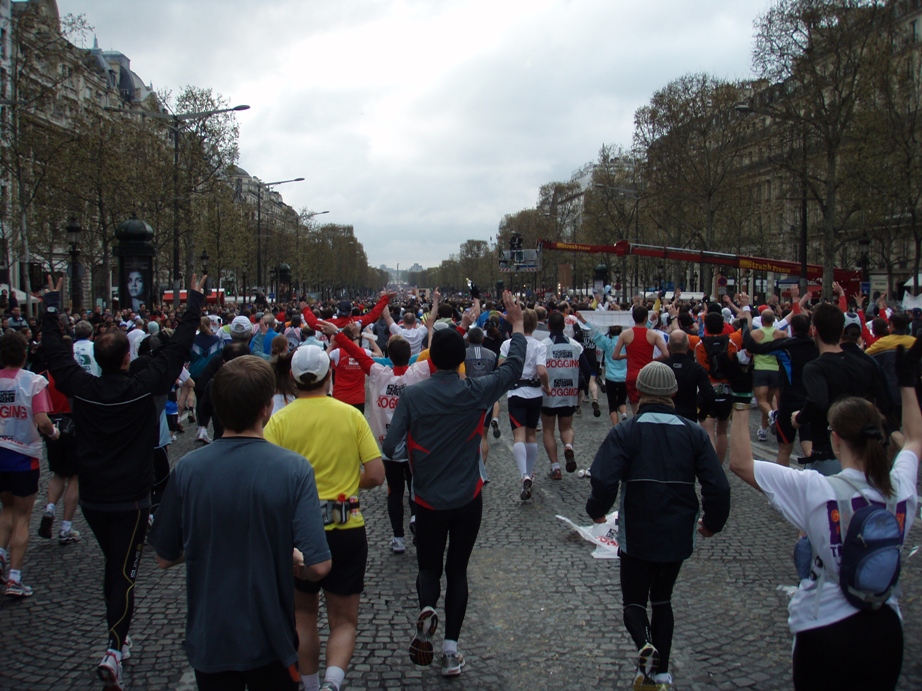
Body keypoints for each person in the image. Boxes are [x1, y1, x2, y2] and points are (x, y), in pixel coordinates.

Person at [39, 275, 206, 690]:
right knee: (123, 573)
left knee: (116, 569)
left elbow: (54, 356)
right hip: (131, 498)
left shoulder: (84, 389)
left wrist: (50, 306)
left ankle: (120, 636)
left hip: (94, 499)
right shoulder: (141, 388)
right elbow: (179, 346)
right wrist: (194, 298)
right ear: (127, 359)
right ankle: (114, 648)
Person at [729, 339, 921, 690]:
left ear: (835, 440)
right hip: (885, 628)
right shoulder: (901, 490)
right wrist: (907, 385)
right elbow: (914, 441)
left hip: (824, 626)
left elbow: (741, 464)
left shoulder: (817, 490)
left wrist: (741, 406)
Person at [150, 356, 332, 691]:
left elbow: (164, 555)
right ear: (267, 409)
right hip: (271, 637)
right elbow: (318, 566)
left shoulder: (188, 469)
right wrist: (289, 557)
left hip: (211, 635)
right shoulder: (293, 469)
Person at [383, 291, 526, 678]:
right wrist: (517, 326)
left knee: (429, 568)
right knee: (458, 571)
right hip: (467, 497)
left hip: (427, 498)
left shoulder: (412, 395)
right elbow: (512, 369)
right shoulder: (475, 391)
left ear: (429, 363)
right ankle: (450, 650)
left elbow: (392, 443)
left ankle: (426, 606)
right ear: (462, 361)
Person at [586, 361, 730, 691]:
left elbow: (603, 477)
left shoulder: (627, 430)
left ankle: (644, 644)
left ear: (640, 392)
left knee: (634, 602)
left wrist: (596, 509)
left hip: (637, 526)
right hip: (678, 528)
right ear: (674, 393)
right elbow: (717, 486)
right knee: (662, 599)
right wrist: (712, 523)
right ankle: (661, 672)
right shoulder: (693, 432)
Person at [264, 345, 385, 691]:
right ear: (328, 375)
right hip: (346, 526)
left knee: (303, 615)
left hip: (298, 533)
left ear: (292, 378)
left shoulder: (279, 421)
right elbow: (376, 475)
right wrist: (349, 481)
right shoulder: (350, 416)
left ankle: (312, 684)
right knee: (344, 619)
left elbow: (269, 478)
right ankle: (334, 682)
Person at [317, 309, 435, 554]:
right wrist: (440, 328)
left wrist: (338, 333)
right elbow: (437, 355)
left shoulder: (379, 373)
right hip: (414, 442)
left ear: (389, 356)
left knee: (394, 492)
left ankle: (398, 538)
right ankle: (415, 518)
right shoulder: (418, 372)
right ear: (409, 357)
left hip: (387, 445)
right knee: (416, 486)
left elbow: (356, 353)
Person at [0, 331, 57, 597]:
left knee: (6, 508)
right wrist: (55, 434)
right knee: (22, 516)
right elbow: (43, 421)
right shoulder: (34, 382)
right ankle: (14, 578)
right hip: (23, 456)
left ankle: (0, 552)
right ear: (25, 354)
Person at [499, 308, 547, 500]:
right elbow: (542, 371)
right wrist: (547, 386)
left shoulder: (507, 344)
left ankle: (523, 475)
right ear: (535, 324)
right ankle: (530, 471)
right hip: (535, 393)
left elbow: (501, 365)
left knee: (518, 436)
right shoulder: (539, 345)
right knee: (531, 435)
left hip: (516, 392)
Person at [539, 311, 583, 478]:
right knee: (566, 427)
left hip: (549, 393)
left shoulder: (543, 346)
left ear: (548, 326)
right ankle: (569, 447)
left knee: (548, 430)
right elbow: (584, 369)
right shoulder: (575, 345)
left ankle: (556, 467)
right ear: (565, 326)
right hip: (569, 392)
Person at [612, 305, 668, 414]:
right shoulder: (653, 335)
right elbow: (666, 353)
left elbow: (615, 356)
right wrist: (654, 359)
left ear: (633, 317)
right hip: (648, 374)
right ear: (646, 318)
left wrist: (627, 355)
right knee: (650, 405)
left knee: (635, 410)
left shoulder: (625, 334)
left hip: (632, 375)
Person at [662, 330, 715, 423]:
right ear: (688, 346)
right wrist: (702, 414)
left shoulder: (660, 367)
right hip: (688, 418)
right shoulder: (697, 369)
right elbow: (709, 395)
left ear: (668, 346)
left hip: (665, 417)